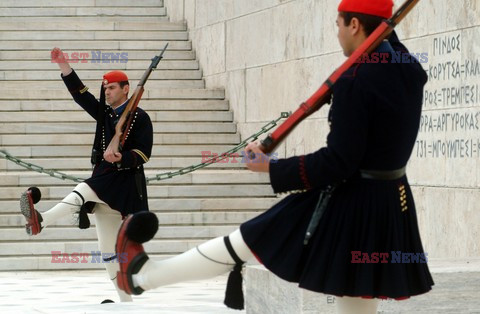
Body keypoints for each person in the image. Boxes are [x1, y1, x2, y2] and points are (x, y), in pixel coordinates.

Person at [114, 0, 434, 312]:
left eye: (339, 25)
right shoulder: (408, 70)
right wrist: (383, 21)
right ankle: (144, 276)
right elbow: (389, 40)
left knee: (248, 238)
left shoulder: (355, 81)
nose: (337, 34)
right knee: (357, 292)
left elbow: (338, 162)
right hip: (390, 198)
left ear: (354, 24)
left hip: (351, 198)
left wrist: (271, 168)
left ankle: (142, 277)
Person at [19, 47, 153, 303]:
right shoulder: (104, 114)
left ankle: (43, 220)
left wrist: (122, 157)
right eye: (105, 88)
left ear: (126, 88)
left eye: (112, 87)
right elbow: (82, 97)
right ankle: (125, 302)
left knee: (82, 190)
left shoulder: (140, 117)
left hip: (123, 182)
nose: (107, 91)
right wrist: (64, 66)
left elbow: (144, 153)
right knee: (107, 250)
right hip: (106, 180)